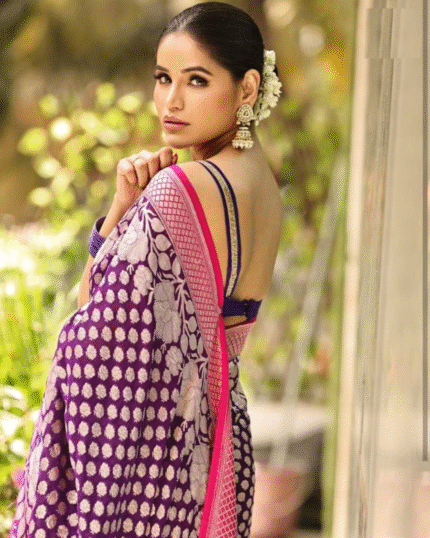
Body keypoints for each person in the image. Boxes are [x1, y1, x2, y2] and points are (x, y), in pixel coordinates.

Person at [8, 2, 284, 538]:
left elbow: (94, 325)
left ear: (248, 89)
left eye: (197, 81)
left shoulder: (180, 188)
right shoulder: (265, 188)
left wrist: (120, 210)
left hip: (153, 470)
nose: (171, 101)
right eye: (163, 78)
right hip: (217, 449)